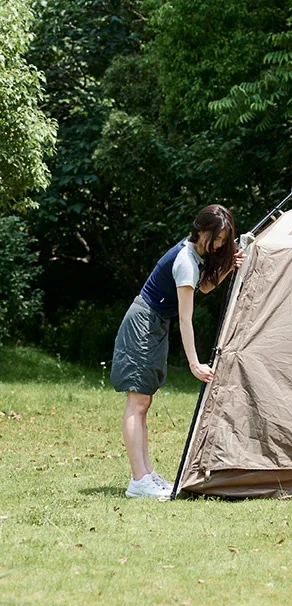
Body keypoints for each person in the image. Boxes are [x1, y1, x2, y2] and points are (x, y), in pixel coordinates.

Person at [111, 204, 242, 498]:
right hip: (144, 323)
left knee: (143, 403)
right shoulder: (185, 261)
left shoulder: (194, 255)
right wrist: (195, 364)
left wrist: (228, 267)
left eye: (224, 240)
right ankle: (138, 480)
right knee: (138, 402)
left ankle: (145, 475)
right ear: (201, 230)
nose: (220, 245)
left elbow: (205, 287)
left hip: (155, 324)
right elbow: (185, 318)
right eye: (217, 239)